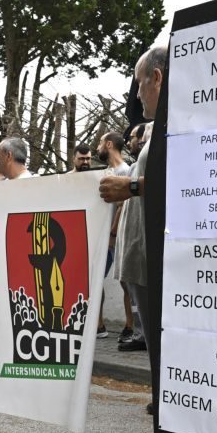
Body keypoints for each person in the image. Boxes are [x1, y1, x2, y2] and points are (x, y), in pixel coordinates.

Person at [99, 45, 166, 433]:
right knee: (162, 369)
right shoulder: (157, 129)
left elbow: (191, 179)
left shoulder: (182, 125)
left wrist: (133, 185)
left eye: (139, 81)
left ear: (156, 78)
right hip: (144, 264)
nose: (136, 92)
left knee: (170, 366)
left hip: (161, 266)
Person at [94, 131, 131, 339]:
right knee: (97, 279)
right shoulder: (107, 171)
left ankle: (130, 325)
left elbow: (124, 204)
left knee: (126, 282)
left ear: (108, 144)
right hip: (106, 237)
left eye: (100, 142)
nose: (97, 147)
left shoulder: (125, 170)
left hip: (116, 238)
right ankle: (98, 325)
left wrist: (112, 232)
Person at [115, 124, 148, 350]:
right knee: (134, 295)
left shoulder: (140, 166)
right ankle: (139, 333)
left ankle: (142, 335)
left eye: (135, 137)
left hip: (140, 244)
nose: (131, 142)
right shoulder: (135, 166)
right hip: (130, 245)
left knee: (141, 298)